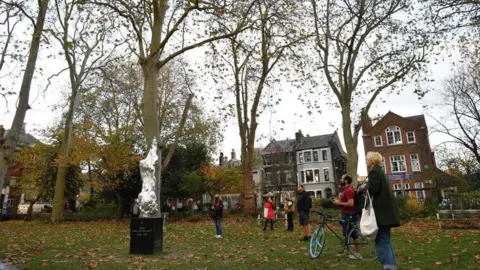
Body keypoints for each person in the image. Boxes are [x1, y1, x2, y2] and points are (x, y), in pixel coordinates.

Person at [358, 152, 400, 270]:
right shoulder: (380, 171)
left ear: (372, 161)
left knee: (381, 242)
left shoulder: (374, 172)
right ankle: (391, 266)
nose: (366, 162)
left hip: (381, 214)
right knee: (386, 241)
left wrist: (363, 188)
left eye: (367, 160)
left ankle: (389, 267)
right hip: (386, 214)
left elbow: (373, 189)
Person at [333, 174, 361, 259]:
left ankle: (358, 254)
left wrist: (339, 203)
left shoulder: (348, 190)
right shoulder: (345, 190)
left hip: (351, 215)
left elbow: (351, 203)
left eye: (342, 178)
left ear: (346, 181)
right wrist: (338, 201)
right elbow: (346, 202)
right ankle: (347, 251)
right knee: (346, 233)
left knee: (353, 234)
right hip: (346, 214)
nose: (340, 180)